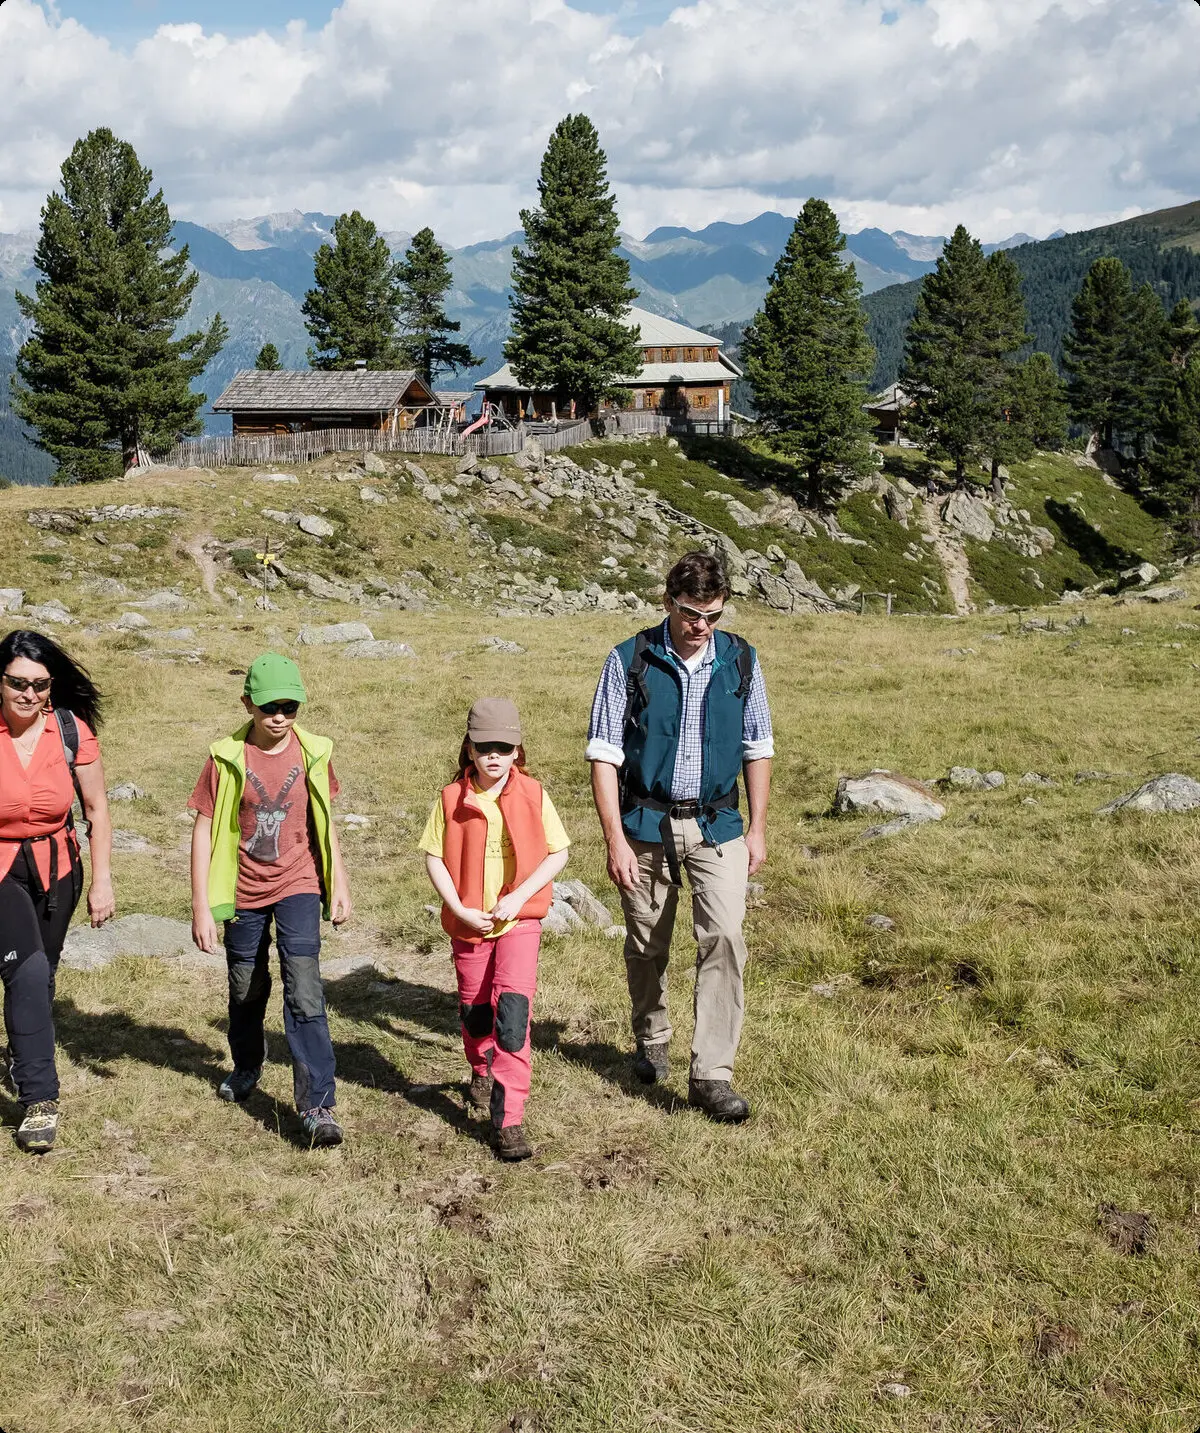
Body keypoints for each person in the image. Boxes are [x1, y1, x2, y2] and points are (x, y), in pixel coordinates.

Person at [587, 551, 773, 1123]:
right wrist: (615, 839)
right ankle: (652, 1032)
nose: (702, 627)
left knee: (725, 937)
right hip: (644, 825)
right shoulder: (629, 660)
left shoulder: (741, 660)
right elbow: (603, 753)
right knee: (648, 945)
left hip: (719, 826)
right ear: (668, 602)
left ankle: (711, 1074)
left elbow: (757, 745)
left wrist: (758, 829)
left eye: (714, 615)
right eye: (692, 614)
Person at [189, 653, 351, 1147]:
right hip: (242, 891)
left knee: (304, 989)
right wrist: (201, 905)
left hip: (299, 882)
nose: (279, 716)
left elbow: (323, 821)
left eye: (290, 706)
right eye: (268, 707)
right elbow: (201, 830)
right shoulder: (225, 759)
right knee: (246, 986)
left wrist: (338, 879)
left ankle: (318, 1105)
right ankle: (246, 1066)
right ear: (248, 704)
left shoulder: (313, 753)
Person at [420, 698, 570, 1162]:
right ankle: (479, 1068)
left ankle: (508, 1123)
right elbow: (433, 857)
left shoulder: (534, 794)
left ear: (517, 750)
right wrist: (459, 909)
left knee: (512, 1017)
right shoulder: (450, 799)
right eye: (484, 747)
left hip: (518, 924)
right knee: (476, 1012)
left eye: (503, 748)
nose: (493, 756)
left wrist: (520, 897)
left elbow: (557, 853)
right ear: (469, 748)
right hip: (469, 927)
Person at [0, 630, 115, 1153]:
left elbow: (96, 811)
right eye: (17, 683)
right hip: (1, 866)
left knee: (42, 970)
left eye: (39, 684)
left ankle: (22, 1051)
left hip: (58, 865)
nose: (28, 694)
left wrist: (103, 880)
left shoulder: (70, 730)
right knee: (25, 969)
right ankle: (39, 1099)